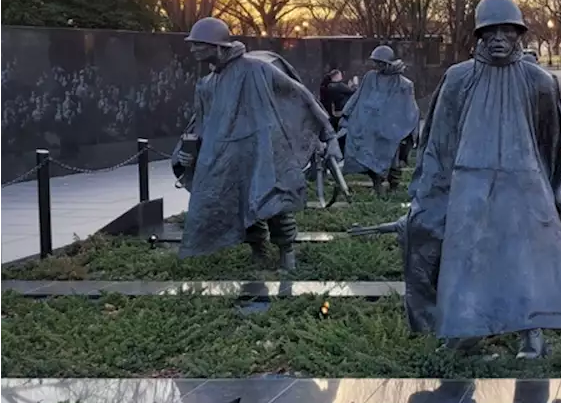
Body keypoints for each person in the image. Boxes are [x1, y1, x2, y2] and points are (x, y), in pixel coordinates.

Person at [400, 0, 561, 359]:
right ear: (480, 35)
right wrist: (426, 190)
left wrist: (557, 193)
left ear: (519, 33)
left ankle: (531, 334)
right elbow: (438, 139)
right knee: (468, 259)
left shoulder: (539, 81)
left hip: (524, 182)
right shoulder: (458, 79)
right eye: (492, 31)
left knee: (525, 259)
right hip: (469, 182)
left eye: (508, 29)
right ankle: (467, 333)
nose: (500, 37)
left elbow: (555, 144)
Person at [173, 17, 339, 271]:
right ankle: (258, 249)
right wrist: (186, 154)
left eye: (199, 44)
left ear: (218, 46)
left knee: (274, 203)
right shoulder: (206, 84)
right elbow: (199, 125)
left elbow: (300, 94)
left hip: (263, 150)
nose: (193, 49)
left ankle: (287, 252)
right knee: (242, 204)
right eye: (193, 44)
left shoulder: (255, 68)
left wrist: (329, 135)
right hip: (228, 156)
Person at [340, 45, 420, 195]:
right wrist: (347, 113)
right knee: (369, 155)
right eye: (376, 62)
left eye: (380, 63)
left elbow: (409, 108)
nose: (377, 66)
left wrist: (408, 129)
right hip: (371, 126)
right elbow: (359, 96)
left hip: (392, 129)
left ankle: (393, 186)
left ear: (388, 63)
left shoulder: (404, 84)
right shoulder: (370, 78)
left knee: (393, 160)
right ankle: (377, 184)